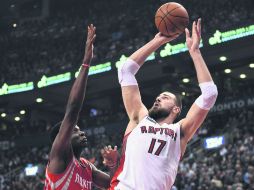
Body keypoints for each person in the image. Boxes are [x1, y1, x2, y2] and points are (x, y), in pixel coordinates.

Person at [110, 19, 218, 190]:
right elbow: (125, 70)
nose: (158, 98)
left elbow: (210, 94)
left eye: (165, 97)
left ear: (176, 109)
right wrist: (159, 40)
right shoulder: (139, 118)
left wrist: (195, 52)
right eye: (159, 97)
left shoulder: (179, 132)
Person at [44, 24, 118, 190]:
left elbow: (113, 186)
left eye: (78, 129)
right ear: (61, 138)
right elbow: (72, 110)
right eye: (75, 131)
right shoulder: (60, 157)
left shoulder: (86, 166)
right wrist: (86, 63)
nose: (82, 132)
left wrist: (112, 165)